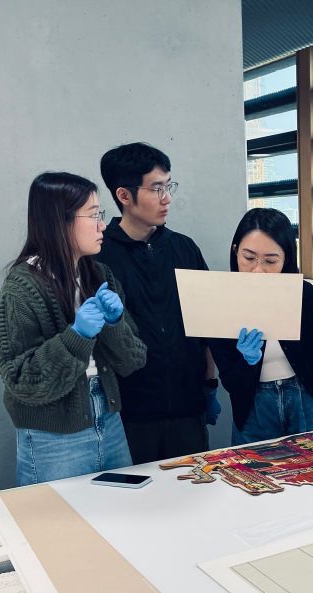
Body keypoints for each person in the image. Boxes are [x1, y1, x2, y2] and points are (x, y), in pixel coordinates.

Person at [0, 171, 147, 485]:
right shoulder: (21, 288)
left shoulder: (100, 275)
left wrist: (114, 324)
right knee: (59, 516)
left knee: (121, 509)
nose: (103, 225)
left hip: (109, 417)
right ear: (59, 221)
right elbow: (22, 382)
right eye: (94, 215)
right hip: (53, 435)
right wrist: (77, 336)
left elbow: (134, 361)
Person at [97, 142, 219, 464]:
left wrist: (209, 383)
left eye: (168, 186)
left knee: (194, 487)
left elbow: (208, 323)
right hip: (129, 414)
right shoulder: (99, 256)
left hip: (189, 406)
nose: (167, 199)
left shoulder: (184, 248)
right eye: (156, 189)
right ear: (124, 195)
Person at [208, 208, 313, 444]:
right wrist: (247, 361)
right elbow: (232, 382)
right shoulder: (220, 302)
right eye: (249, 258)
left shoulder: (305, 295)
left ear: (286, 258)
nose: (258, 269)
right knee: (254, 466)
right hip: (255, 405)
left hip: (306, 397)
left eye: (270, 261)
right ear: (235, 251)